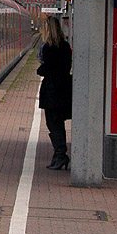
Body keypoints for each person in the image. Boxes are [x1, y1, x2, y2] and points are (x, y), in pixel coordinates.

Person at [37, 16, 73, 170]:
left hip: (52, 91)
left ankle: (60, 155)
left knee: (53, 123)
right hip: (64, 89)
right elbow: (64, 67)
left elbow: (47, 69)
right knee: (58, 122)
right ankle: (59, 155)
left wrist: (40, 68)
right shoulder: (65, 46)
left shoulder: (48, 48)